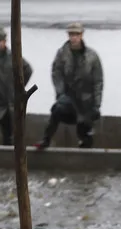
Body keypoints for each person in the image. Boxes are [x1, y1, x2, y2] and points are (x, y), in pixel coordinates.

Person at [36, 22, 104, 150]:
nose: (74, 37)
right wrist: (60, 93)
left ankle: (85, 147)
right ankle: (46, 139)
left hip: (86, 101)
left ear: (81, 35)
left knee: (84, 132)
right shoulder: (62, 54)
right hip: (68, 98)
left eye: (77, 34)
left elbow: (98, 82)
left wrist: (97, 104)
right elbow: (56, 74)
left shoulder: (92, 56)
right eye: (71, 34)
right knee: (56, 111)